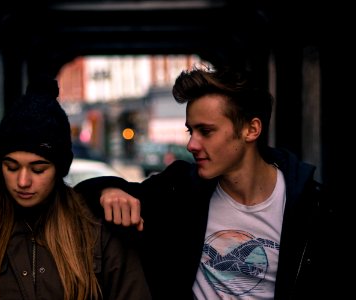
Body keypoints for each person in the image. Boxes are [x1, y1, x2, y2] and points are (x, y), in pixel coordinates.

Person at [75, 65, 334, 299]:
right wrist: (108, 190)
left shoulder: (311, 207)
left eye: (206, 132)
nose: (191, 145)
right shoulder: (180, 189)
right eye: (191, 131)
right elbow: (78, 195)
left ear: (251, 130)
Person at [0, 78, 151, 300]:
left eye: (38, 169)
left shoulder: (100, 237)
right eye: (11, 167)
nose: (22, 181)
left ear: (59, 169)